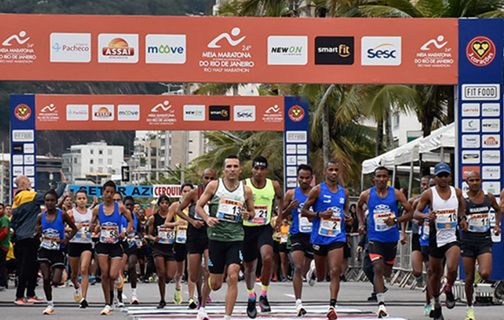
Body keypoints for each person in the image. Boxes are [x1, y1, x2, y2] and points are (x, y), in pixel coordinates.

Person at [196, 155, 255, 320]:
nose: (232, 170)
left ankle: (227, 316)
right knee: (215, 283)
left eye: (235, 166)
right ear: (223, 170)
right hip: (216, 238)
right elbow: (199, 207)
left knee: (233, 275)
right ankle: (203, 304)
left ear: (240, 170)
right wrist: (207, 219)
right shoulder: (214, 186)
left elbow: (252, 213)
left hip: (236, 239)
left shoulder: (246, 190)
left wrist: (247, 215)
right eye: (229, 166)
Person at [357, 166, 413, 318]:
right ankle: (381, 304)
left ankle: (381, 292)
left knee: (386, 272)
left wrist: (395, 220)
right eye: (378, 176)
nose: (381, 179)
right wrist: (362, 224)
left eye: (384, 176)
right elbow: (359, 207)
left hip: (391, 238)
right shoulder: (367, 194)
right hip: (375, 238)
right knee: (377, 267)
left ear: (388, 178)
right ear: (374, 178)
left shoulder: (396, 194)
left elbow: (410, 212)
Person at [301, 160, 352, 320]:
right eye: (331, 169)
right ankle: (314, 271)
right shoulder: (317, 190)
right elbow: (304, 210)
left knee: (335, 271)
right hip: (319, 237)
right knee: (322, 276)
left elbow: (344, 210)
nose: (334, 173)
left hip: (337, 236)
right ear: (325, 172)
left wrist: (347, 217)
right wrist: (318, 215)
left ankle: (332, 306)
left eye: (337, 170)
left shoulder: (344, 192)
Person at [414, 163, 465, 320]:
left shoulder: (456, 192)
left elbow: (462, 205)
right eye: (440, 176)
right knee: (435, 274)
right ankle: (436, 303)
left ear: (450, 176)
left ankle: (448, 288)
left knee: (452, 268)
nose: (443, 179)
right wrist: (425, 216)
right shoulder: (429, 194)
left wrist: (462, 218)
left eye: (445, 175)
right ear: (435, 177)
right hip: (435, 239)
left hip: (452, 237)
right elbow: (416, 213)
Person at [11, 174, 67, 305]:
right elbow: (53, 196)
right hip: (30, 236)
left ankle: (30, 294)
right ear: (23, 184)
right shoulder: (27, 195)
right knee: (26, 267)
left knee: (31, 266)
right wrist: (63, 183)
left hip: (20, 237)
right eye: (28, 181)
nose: (30, 182)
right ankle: (20, 296)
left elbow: (14, 222)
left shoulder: (16, 200)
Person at [243, 156, 284, 317]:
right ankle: (251, 295)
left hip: (264, 228)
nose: (259, 172)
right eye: (256, 169)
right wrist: (243, 212)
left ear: (266, 170)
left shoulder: (273, 185)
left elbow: (281, 198)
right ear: (252, 170)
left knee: (267, 258)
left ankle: (264, 295)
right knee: (249, 267)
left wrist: (279, 216)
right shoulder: (244, 184)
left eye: (262, 169)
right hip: (247, 229)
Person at [91, 180, 133, 316]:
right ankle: (107, 303)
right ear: (103, 192)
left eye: (111, 192)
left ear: (114, 193)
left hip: (116, 244)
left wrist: (125, 232)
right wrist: (95, 227)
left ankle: (115, 286)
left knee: (113, 275)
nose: (109, 195)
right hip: (103, 244)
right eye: (106, 192)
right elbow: (91, 226)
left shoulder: (120, 208)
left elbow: (131, 220)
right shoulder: (98, 209)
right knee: (104, 274)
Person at [176, 168, 216, 310]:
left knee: (210, 270)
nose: (209, 181)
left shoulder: (218, 192)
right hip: (194, 233)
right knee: (194, 274)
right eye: (206, 178)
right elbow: (178, 210)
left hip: (211, 233)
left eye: (212, 178)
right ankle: (199, 295)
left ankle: (204, 299)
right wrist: (191, 221)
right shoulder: (194, 193)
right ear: (202, 178)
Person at [463, 171, 501, 320]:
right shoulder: (463, 199)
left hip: (484, 239)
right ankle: (469, 308)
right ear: (467, 183)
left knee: (485, 273)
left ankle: (480, 262)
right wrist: (462, 221)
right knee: (469, 278)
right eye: (471, 180)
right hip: (467, 240)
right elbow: (459, 215)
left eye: (477, 180)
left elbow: (498, 210)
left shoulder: (488, 197)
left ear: (481, 181)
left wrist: (497, 225)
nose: (474, 183)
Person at [35, 190, 78, 315]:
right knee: (46, 278)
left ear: (56, 201)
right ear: (44, 202)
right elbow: (35, 233)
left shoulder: (63, 215)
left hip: (58, 251)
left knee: (56, 281)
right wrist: (37, 232)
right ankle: (50, 304)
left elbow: (74, 229)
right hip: (44, 250)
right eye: (47, 201)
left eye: (52, 200)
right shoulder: (40, 216)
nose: (50, 203)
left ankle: (55, 273)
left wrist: (67, 239)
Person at [281, 164, 314, 316]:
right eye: (301, 177)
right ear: (297, 178)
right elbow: (281, 215)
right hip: (297, 234)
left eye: (307, 178)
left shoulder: (317, 193)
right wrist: (289, 209)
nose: (304, 180)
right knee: (297, 267)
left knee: (312, 271)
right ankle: (298, 303)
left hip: (314, 235)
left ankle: (310, 273)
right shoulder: (291, 193)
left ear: (311, 178)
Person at [149, 195, 183, 309]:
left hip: (170, 248)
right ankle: (162, 299)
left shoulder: (173, 217)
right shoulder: (154, 218)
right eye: (162, 203)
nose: (164, 205)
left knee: (169, 275)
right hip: (158, 248)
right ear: (159, 204)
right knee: (161, 273)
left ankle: (164, 281)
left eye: (166, 203)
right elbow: (148, 234)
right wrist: (154, 238)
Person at [67, 190, 94, 308]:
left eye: (84, 198)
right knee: (74, 273)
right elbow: (62, 227)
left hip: (86, 243)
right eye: (79, 198)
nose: (82, 201)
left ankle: (84, 297)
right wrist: (74, 228)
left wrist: (94, 229)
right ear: (76, 200)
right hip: (74, 243)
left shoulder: (91, 213)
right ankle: (76, 286)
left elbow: (95, 226)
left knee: (84, 269)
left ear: (87, 200)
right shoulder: (71, 213)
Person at [169, 183, 195, 305]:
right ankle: (178, 289)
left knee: (191, 269)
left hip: (192, 240)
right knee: (180, 271)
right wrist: (176, 223)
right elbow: (166, 223)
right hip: (179, 240)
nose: (187, 193)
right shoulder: (176, 205)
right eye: (184, 191)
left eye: (189, 191)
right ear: (181, 193)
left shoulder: (196, 205)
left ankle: (191, 298)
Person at [123, 195, 143, 305]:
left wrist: (141, 237)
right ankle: (118, 293)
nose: (129, 207)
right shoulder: (120, 216)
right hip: (121, 245)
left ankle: (134, 294)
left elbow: (139, 230)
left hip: (132, 244)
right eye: (127, 205)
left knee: (132, 265)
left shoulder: (136, 217)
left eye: (131, 205)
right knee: (118, 270)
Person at [0, 203, 9, 291]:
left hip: (3, 245)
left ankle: (3, 283)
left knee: (2, 264)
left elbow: (4, 232)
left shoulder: (4, 219)